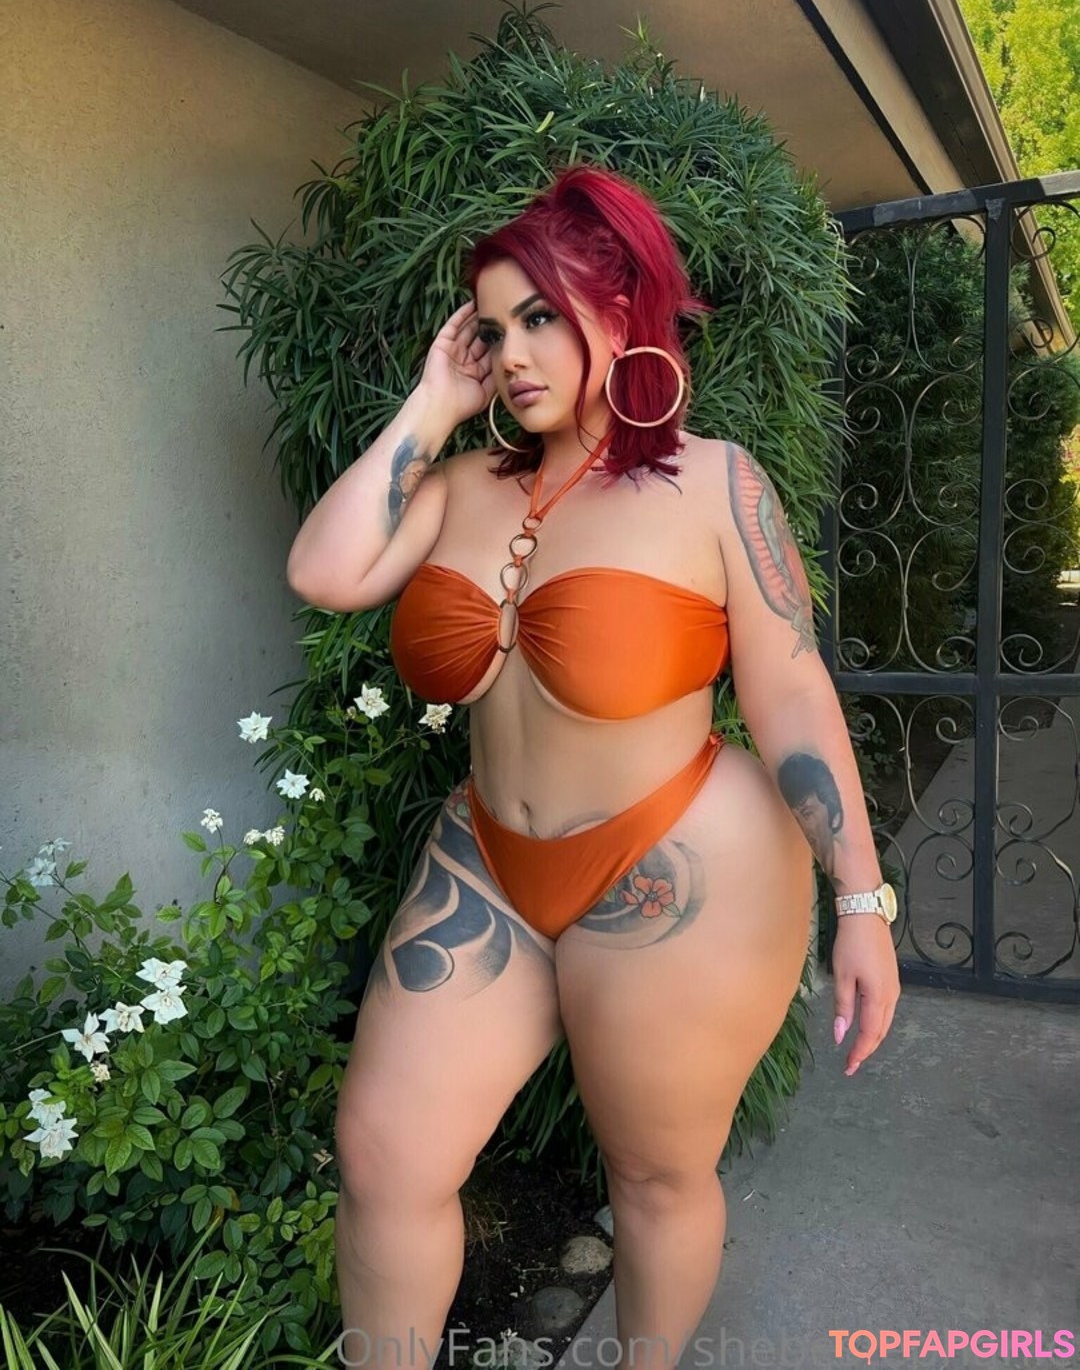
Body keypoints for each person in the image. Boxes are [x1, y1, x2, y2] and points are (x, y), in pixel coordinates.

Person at [286, 165, 902, 1370]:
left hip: (677, 858)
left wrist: (862, 900)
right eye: (491, 326)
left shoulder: (714, 482)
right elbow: (325, 570)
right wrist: (431, 403)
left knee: (656, 1174)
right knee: (385, 1155)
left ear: (622, 314)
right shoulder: (459, 485)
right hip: (488, 861)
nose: (512, 353)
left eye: (540, 316)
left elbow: (789, 694)